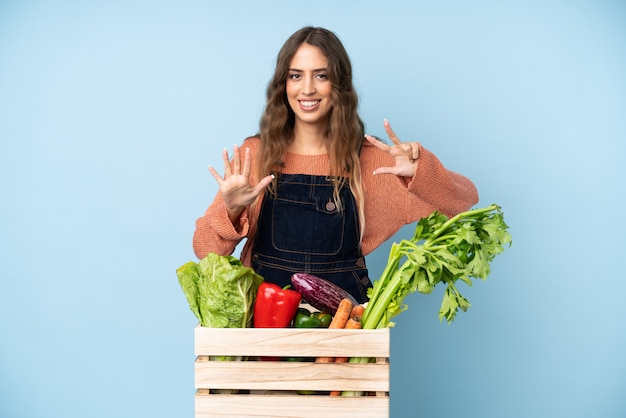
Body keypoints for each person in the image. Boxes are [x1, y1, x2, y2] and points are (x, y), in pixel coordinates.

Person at [193, 26, 478, 303]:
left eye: (321, 76)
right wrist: (232, 210)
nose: (307, 88)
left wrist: (419, 172)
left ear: (339, 84)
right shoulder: (254, 156)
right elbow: (205, 250)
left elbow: (465, 200)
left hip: (344, 336)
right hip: (266, 333)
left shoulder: (373, 160)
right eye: (295, 75)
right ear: (283, 85)